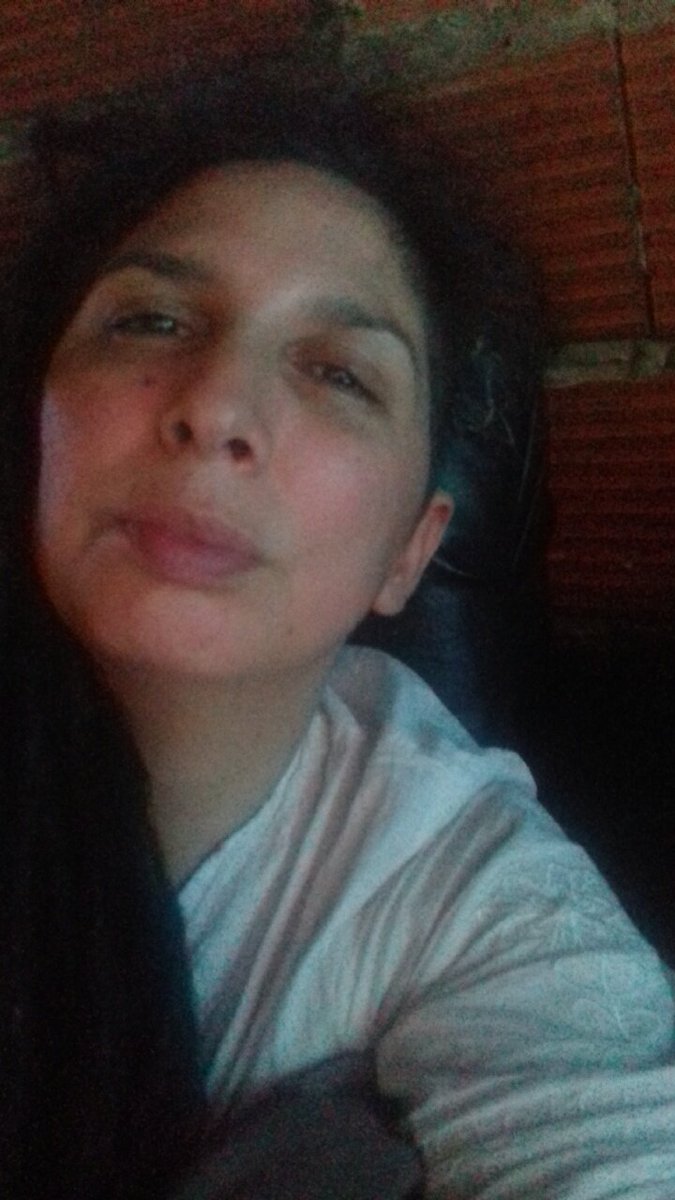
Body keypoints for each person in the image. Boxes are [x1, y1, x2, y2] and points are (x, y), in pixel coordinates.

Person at [1, 60, 674, 1200]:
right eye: (152, 319)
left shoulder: (462, 886)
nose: (217, 405)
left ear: (411, 549)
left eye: (338, 374)